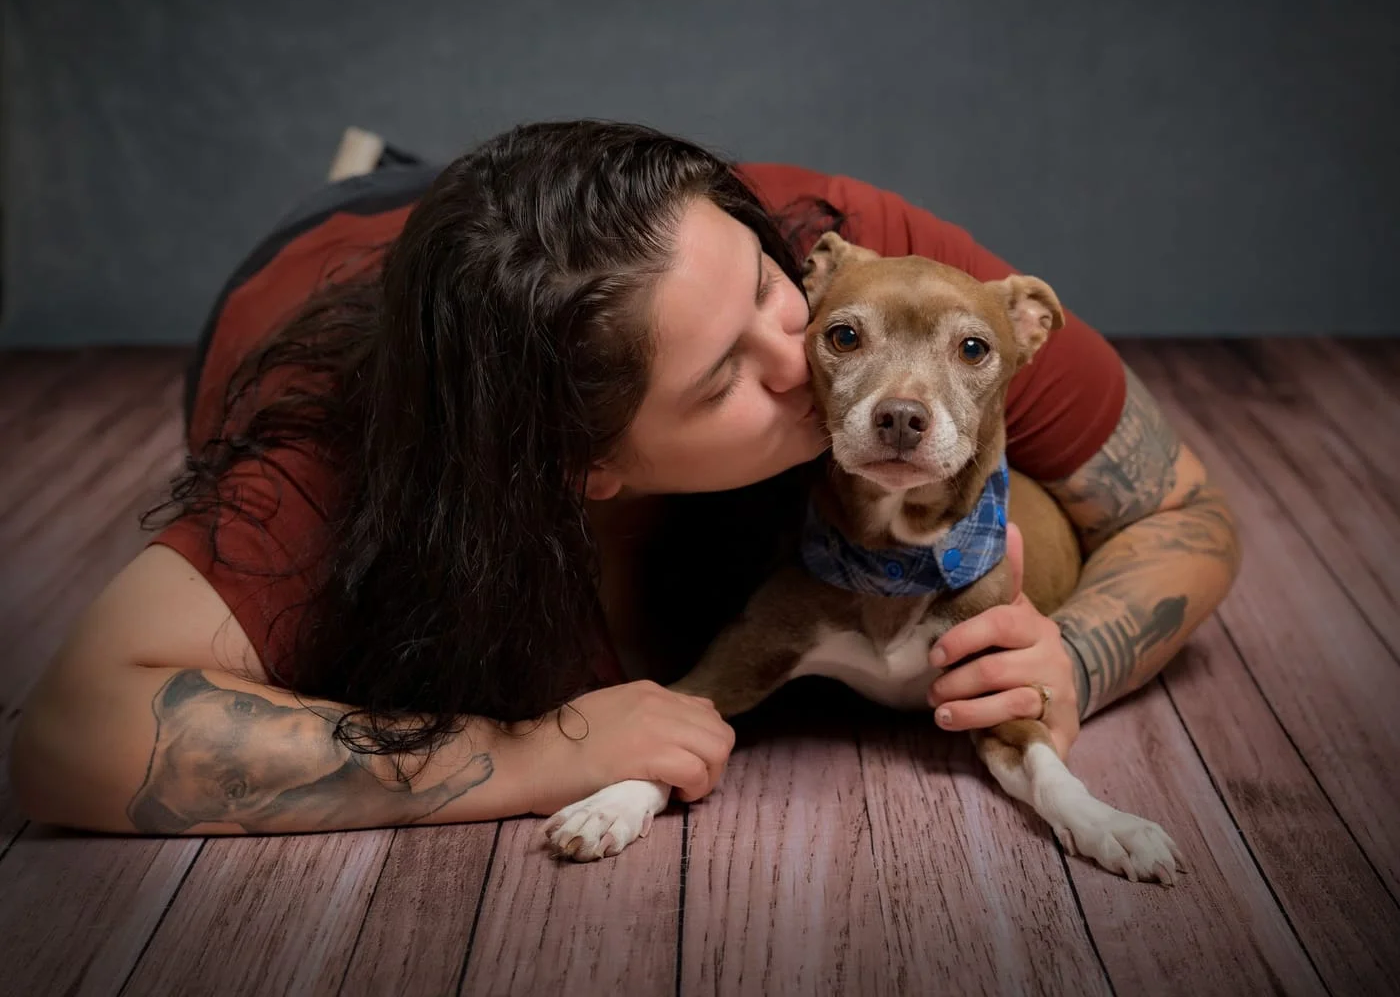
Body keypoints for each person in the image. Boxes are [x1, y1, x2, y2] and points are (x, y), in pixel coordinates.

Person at [9, 120, 1241, 836]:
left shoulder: (852, 269)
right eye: (724, 379)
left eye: (773, 297)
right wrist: (534, 754)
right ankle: (374, 169)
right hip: (312, 283)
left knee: (530, 232)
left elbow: (1186, 506)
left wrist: (1078, 650)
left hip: (518, 226)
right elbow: (68, 733)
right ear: (585, 465)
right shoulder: (332, 464)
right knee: (403, 226)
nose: (810, 364)